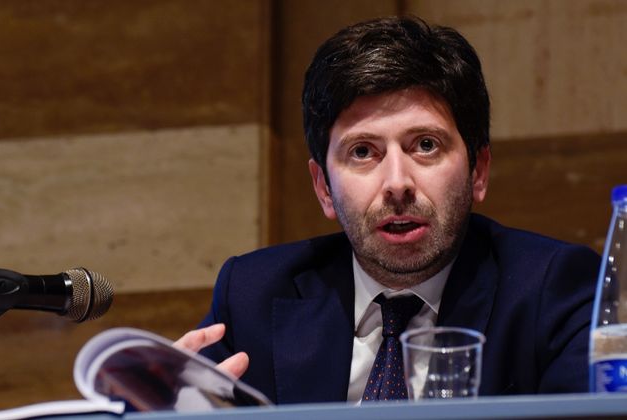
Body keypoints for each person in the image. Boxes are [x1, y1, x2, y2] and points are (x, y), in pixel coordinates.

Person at [175, 16, 600, 404]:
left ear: (479, 171)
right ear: (323, 187)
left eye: (426, 145)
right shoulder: (253, 295)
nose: (398, 183)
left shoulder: (554, 293)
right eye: (363, 151)